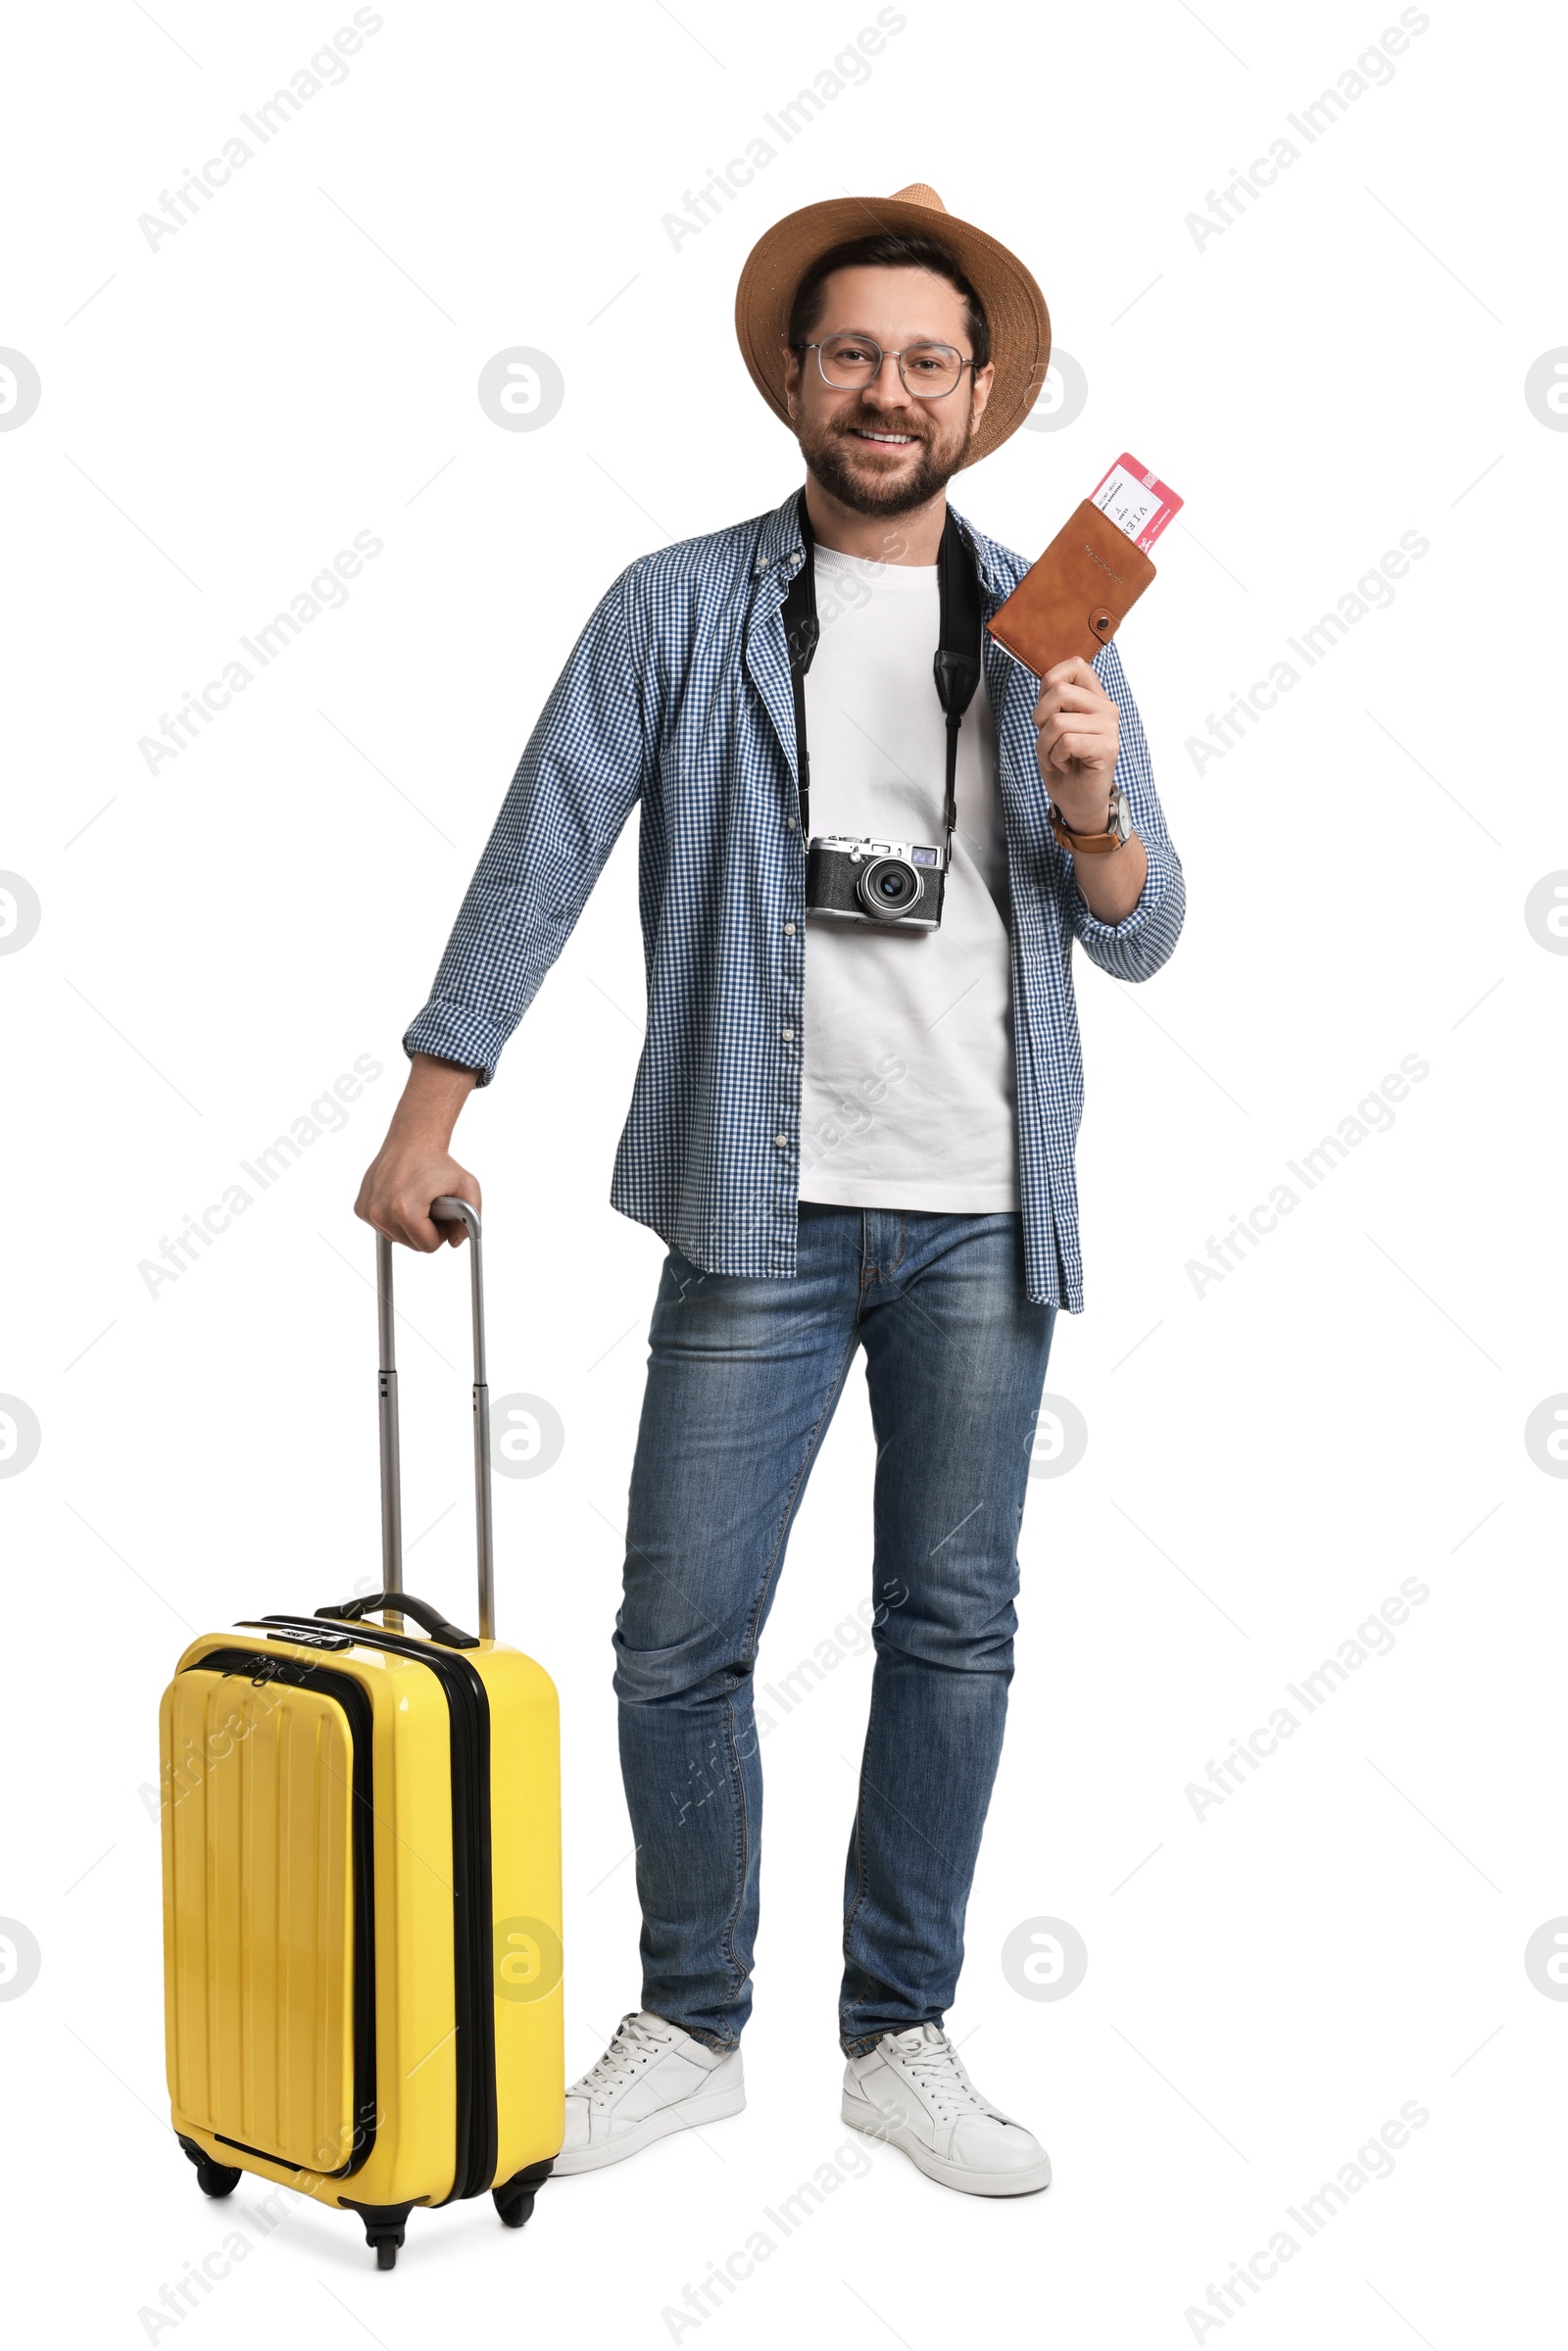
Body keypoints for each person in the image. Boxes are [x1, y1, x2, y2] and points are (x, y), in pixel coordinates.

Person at [356, 182, 1184, 2198]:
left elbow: (1144, 932)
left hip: (987, 1213)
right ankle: (693, 2024)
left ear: (978, 392)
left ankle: (897, 2035)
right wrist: (425, 1110)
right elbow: (540, 846)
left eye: (922, 359)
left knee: (950, 1628)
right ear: (792, 379)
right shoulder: (679, 605)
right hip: (757, 1202)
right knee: (676, 1635)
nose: (884, 390)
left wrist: (1085, 802)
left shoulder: (1050, 618)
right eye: (849, 356)